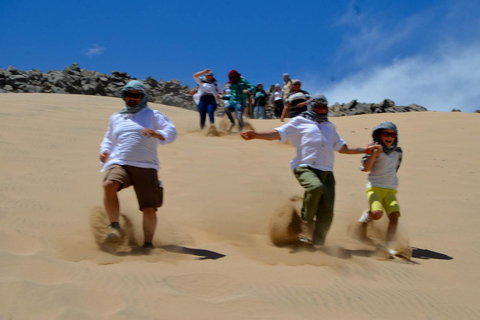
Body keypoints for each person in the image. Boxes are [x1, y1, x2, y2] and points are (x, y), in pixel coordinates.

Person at [241, 94, 379, 247]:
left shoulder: (330, 127)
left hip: (327, 172)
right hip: (305, 166)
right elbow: (277, 133)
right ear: (311, 106)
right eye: (317, 106)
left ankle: (318, 245)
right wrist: (256, 135)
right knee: (314, 187)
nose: (320, 110)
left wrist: (366, 149)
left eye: (323, 107)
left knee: (327, 214)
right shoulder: (300, 121)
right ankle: (307, 224)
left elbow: (343, 148)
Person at [99, 80, 177, 249]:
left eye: (136, 95)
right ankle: (114, 227)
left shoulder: (153, 115)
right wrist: (104, 150)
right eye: (129, 95)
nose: (132, 98)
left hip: (146, 166)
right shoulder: (117, 117)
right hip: (121, 162)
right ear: (124, 96)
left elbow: (171, 131)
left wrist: (157, 133)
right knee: (109, 184)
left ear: (143, 97)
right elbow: (108, 138)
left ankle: (148, 244)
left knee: (149, 207)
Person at [353, 121, 403, 256]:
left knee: (395, 215)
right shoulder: (372, 149)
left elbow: (395, 168)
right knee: (377, 214)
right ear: (379, 136)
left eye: (393, 134)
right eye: (386, 134)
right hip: (375, 188)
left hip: (391, 190)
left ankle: (389, 245)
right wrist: (374, 153)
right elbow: (366, 168)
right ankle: (365, 217)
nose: (390, 137)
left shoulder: (398, 152)